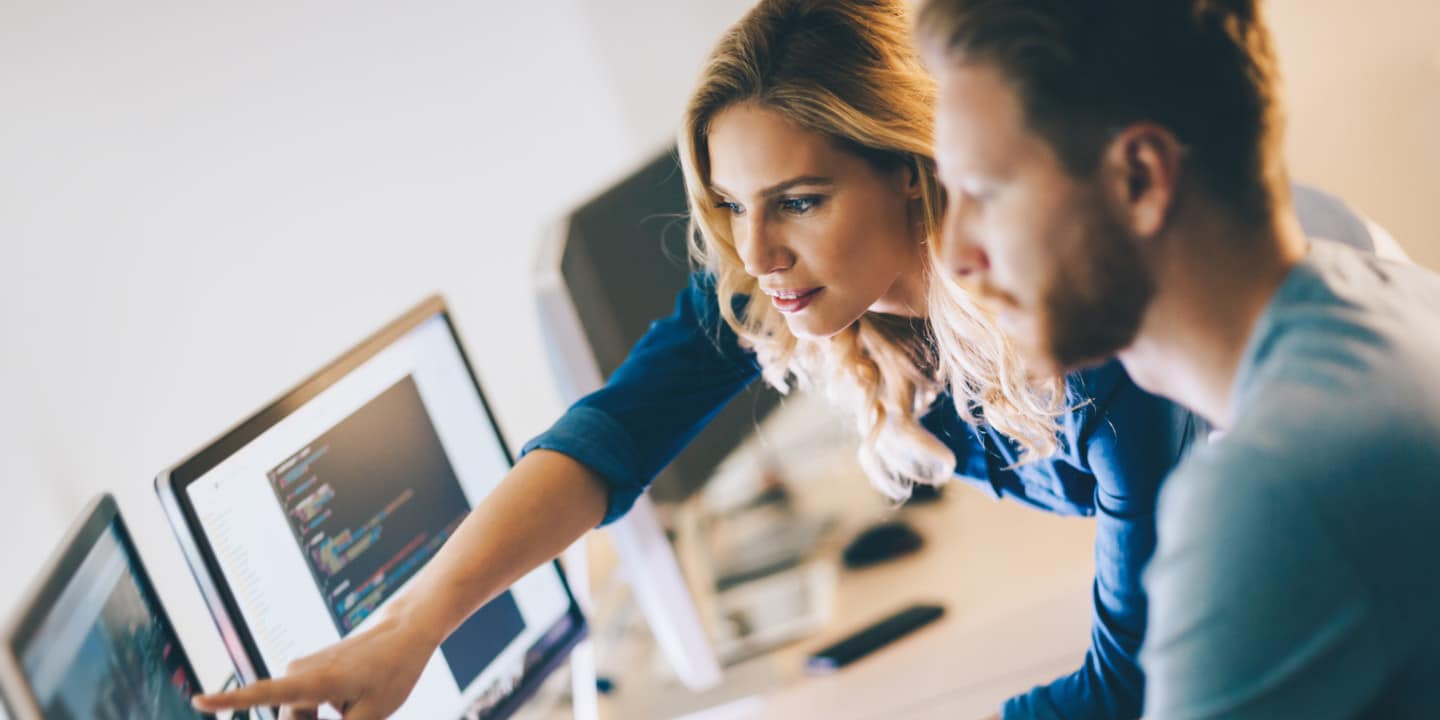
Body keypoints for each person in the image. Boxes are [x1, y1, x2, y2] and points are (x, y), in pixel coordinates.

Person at [194, 2, 1375, 719]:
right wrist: (413, 629)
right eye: (728, 204)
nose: (756, 254)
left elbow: (1133, 687)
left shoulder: (1095, 326)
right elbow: (609, 436)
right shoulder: (795, 284)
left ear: (914, 172)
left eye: (800, 201)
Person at [916, 0, 1440, 716]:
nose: (955, 256)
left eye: (985, 194)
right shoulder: (1397, 298)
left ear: (1141, 179)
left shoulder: (1273, 490)